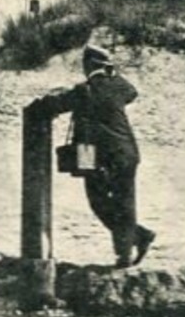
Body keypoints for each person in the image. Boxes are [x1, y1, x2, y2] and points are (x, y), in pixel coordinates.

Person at [39, 44, 155, 268]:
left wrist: (44, 101)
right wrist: (111, 74)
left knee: (99, 203)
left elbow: (55, 105)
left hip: (96, 155)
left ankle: (139, 236)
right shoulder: (117, 86)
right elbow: (132, 92)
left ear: (87, 65)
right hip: (127, 152)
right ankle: (125, 253)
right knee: (125, 203)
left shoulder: (85, 90)